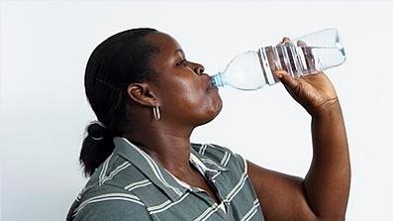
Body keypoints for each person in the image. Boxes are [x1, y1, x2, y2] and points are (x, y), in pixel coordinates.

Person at [66, 28, 351, 221]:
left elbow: (317, 215)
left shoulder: (220, 163)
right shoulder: (116, 204)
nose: (199, 67)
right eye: (181, 63)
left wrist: (326, 111)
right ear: (145, 94)